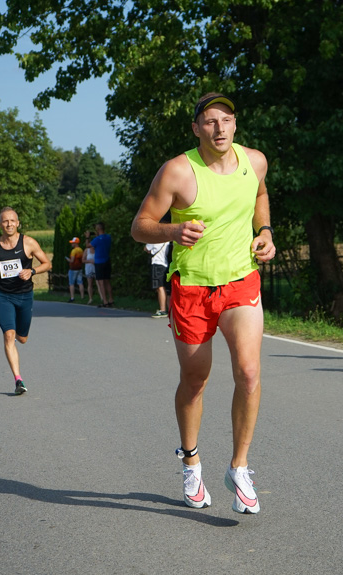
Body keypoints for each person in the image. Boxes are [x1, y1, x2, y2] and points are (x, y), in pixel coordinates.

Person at [131, 92, 276, 514]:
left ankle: (240, 465)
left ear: (235, 124)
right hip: (192, 287)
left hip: (240, 281)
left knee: (249, 372)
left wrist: (264, 231)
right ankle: (191, 462)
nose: (219, 129)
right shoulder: (178, 171)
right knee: (196, 379)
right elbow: (140, 227)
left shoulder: (255, 161)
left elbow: (260, 196)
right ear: (197, 129)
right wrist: (172, 232)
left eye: (226, 120)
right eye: (210, 122)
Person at [0, 207, 51, 395]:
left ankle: (19, 336)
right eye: (5, 221)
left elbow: (47, 263)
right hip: (3, 295)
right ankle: (18, 380)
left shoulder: (28, 243)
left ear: (18, 223)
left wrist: (32, 271)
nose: (9, 224)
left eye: (12, 221)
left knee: (22, 338)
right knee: (9, 335)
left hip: (25, 295)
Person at [144, 241, 171, 318]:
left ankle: (162, 310)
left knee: (160, 287)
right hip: (165, 263)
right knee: (166, 288)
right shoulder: (168, 239)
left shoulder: (156, 239)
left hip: (157, 263)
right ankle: (169, 309)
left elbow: (146, 248)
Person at [91, 222, 113, 307]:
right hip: (107, 260)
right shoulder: (108, 237)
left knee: (101, 282)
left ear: (98, 229)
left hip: (99, 261)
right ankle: (111, 299)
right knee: (107, 280)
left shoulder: (97, 239)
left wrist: (88, 237)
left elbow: (89, 245)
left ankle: (105, 301)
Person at [66, 237, 85, 302]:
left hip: (73, 268)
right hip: (79, 268)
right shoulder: (81, 250)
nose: (72, 244)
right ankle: (82, 296)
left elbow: (72, 260)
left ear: (75, 243)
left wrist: (68, 260)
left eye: (72, 243)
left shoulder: (74, 251)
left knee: (71, 283)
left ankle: (72, 297)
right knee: (80, 282)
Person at [83, 230, 96, 304]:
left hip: (96, 268)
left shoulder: (97, 249)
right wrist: (90, 261)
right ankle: (90, 298)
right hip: (89, 269)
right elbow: (83, 260)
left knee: (99, 283)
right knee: (90, 284)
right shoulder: (86, 250)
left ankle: (101, 297)